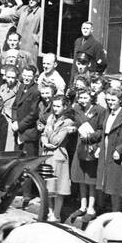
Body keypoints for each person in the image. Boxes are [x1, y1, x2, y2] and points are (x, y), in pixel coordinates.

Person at [95, 85, 122, 214]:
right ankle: (104, 211)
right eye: (108, 100)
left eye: (113, 100)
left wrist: (119, 149)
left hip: (115, 152)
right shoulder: (107, 112)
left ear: (120, 101)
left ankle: (116, 212)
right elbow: (104, 132)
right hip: (106, 148)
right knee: (104, 182)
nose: (110, 103)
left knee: (115, 185)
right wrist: (100, 147)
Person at [42, 93, 75, 221]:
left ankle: (57, 214)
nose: (55, 109)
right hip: (48, 154)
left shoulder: (67, 122)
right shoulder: (51, 118)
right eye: (54, 106)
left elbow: (57, 140)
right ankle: (50, 212)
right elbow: (43, 135)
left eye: (58, 106)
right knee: (48, 186)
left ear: (65, 107)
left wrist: (49, 128)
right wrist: (45, 142)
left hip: (59, 155)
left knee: (59, 187)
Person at [70, 87, 102, 217]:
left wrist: (92, 137)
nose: (82, 100)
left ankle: (91, 208)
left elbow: (101, 129)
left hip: (91, 146)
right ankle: (82, 206)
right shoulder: (76, 109)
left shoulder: (99, 110)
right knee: (80, 177)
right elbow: (73, 122)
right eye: (80, 98)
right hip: (80, 145)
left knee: (90, 178)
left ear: (91, 97)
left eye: (85, 97)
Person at [12, 64, 42, 158]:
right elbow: (15, 106)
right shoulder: (21, 86)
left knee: (28, 161)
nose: (26, 78)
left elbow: (33, 114)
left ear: (34, 77)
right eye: (24, 75)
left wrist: (19, 126)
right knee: (16, 159)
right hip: (18, 130)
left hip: (28, 133)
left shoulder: (36, 91)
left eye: (29, 76)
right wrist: (14, 121)